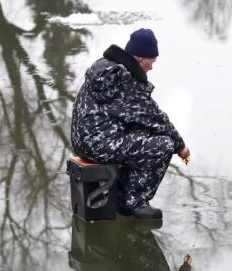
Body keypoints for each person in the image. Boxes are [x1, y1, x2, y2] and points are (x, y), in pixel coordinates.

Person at [71, 28, 190, 220]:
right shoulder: (124, 80)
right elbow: (153, 117)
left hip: (84, 142)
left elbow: (135, 117)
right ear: (142, 59)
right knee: (163, 145)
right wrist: (180, 145)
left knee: (139, 133)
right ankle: (133, 202)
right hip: (99, 145)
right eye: (152, 61)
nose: (152, 67)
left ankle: (120, 196)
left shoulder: (105, 69)